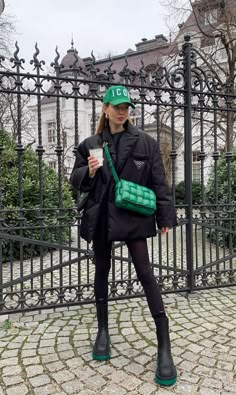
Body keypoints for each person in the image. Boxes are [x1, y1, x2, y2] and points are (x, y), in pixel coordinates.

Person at [70, 85, 177, 386]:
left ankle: (164, 346)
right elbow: (75, 179)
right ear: (104, 109)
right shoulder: (90, 143)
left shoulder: (146, 142)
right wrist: (89, 172)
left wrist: (165, 216)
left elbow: (159, 182)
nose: (121, 111)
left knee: (145, 273)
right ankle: (102, 331)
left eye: (126, 106)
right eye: (116, 106)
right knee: (101, 270)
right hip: (102, 215)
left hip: (132, 215)